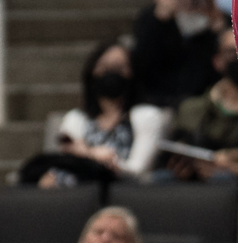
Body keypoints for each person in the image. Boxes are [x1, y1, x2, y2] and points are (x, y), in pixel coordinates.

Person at [38, 39, 166, 184]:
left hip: (122, 190)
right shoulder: (76, 118)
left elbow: (138, 169)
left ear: (132, 72)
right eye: (105, 68)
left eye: (118, 68)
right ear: (92, 72)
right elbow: (68, 157)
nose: (111, 74)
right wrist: (94, 155)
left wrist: (100, 159)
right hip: (78, 190)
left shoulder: (146, 116)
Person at [163, 28, 238, 182]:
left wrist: (232, 167)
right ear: (217, 61)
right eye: (231, 52)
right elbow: (173, 156)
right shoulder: (191, 109)